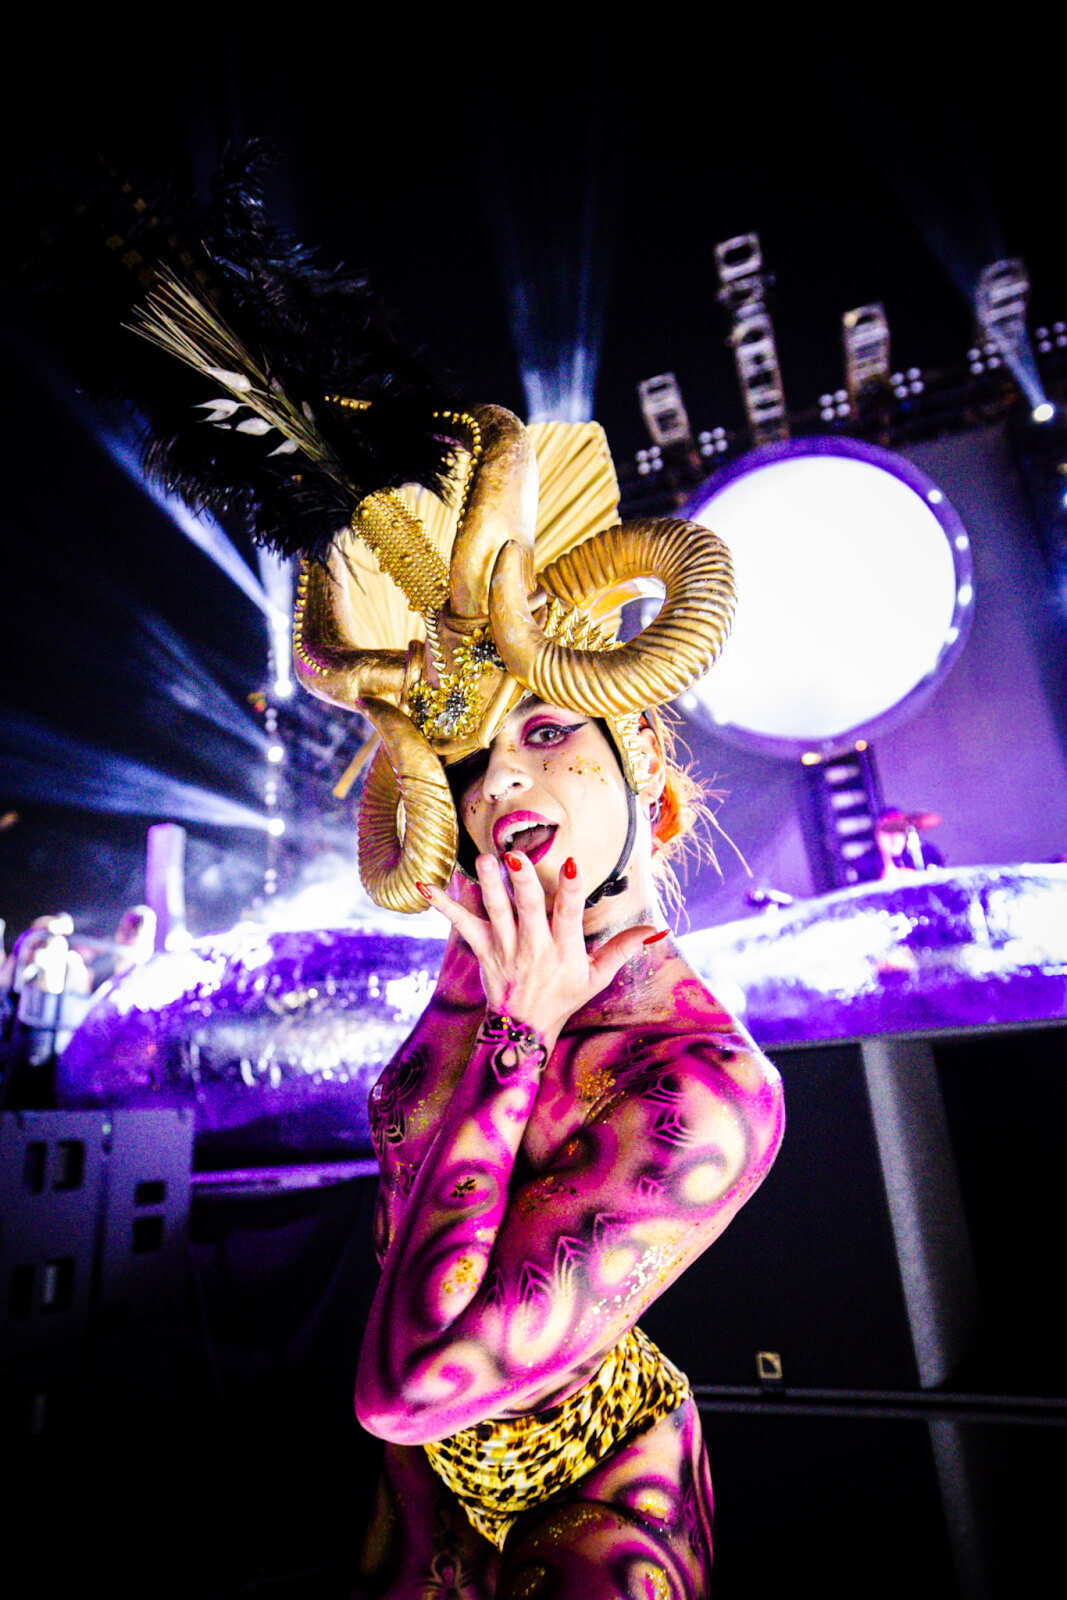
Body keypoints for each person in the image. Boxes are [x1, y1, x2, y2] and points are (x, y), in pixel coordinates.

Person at [352, 699, 784, 1599]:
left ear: (641, 757)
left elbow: (405, 1393)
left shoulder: (710, 1084)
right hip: (432, 1477)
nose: (497, 780)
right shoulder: (491, 944)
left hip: (603, 1482)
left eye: (546, 732)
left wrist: (518, 1034)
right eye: (469, 761)